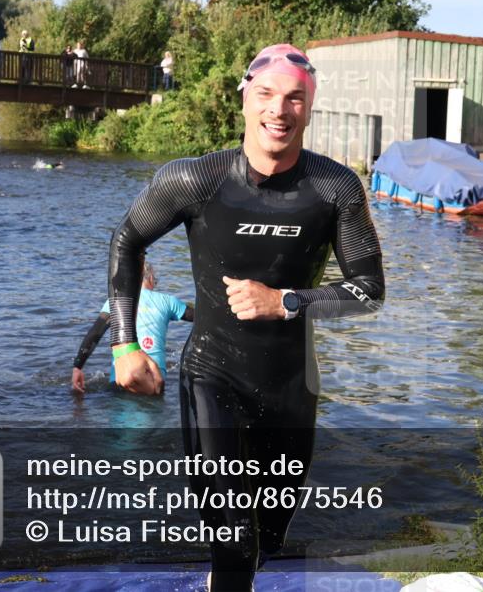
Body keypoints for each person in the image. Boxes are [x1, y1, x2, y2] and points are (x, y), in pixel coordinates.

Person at [106, 43, 384, 591]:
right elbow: (128, 239)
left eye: (294, 98)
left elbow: (369, 290)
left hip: (291, 386)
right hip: (214, 375)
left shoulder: (334, 188)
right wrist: (124, 345)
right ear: (244, 98)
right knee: (235, 534)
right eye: (266, 95)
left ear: (310, 106)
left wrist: (286, 300)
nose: (278, 111)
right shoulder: (197, 180)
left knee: (270, 538)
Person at [72, 261, 193, 393]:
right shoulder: (167, 301)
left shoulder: (116, 301)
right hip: (153, 378)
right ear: (151, 278)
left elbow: (95, 333)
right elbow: (200, 317)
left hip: (122, 376)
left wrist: (78, 366)